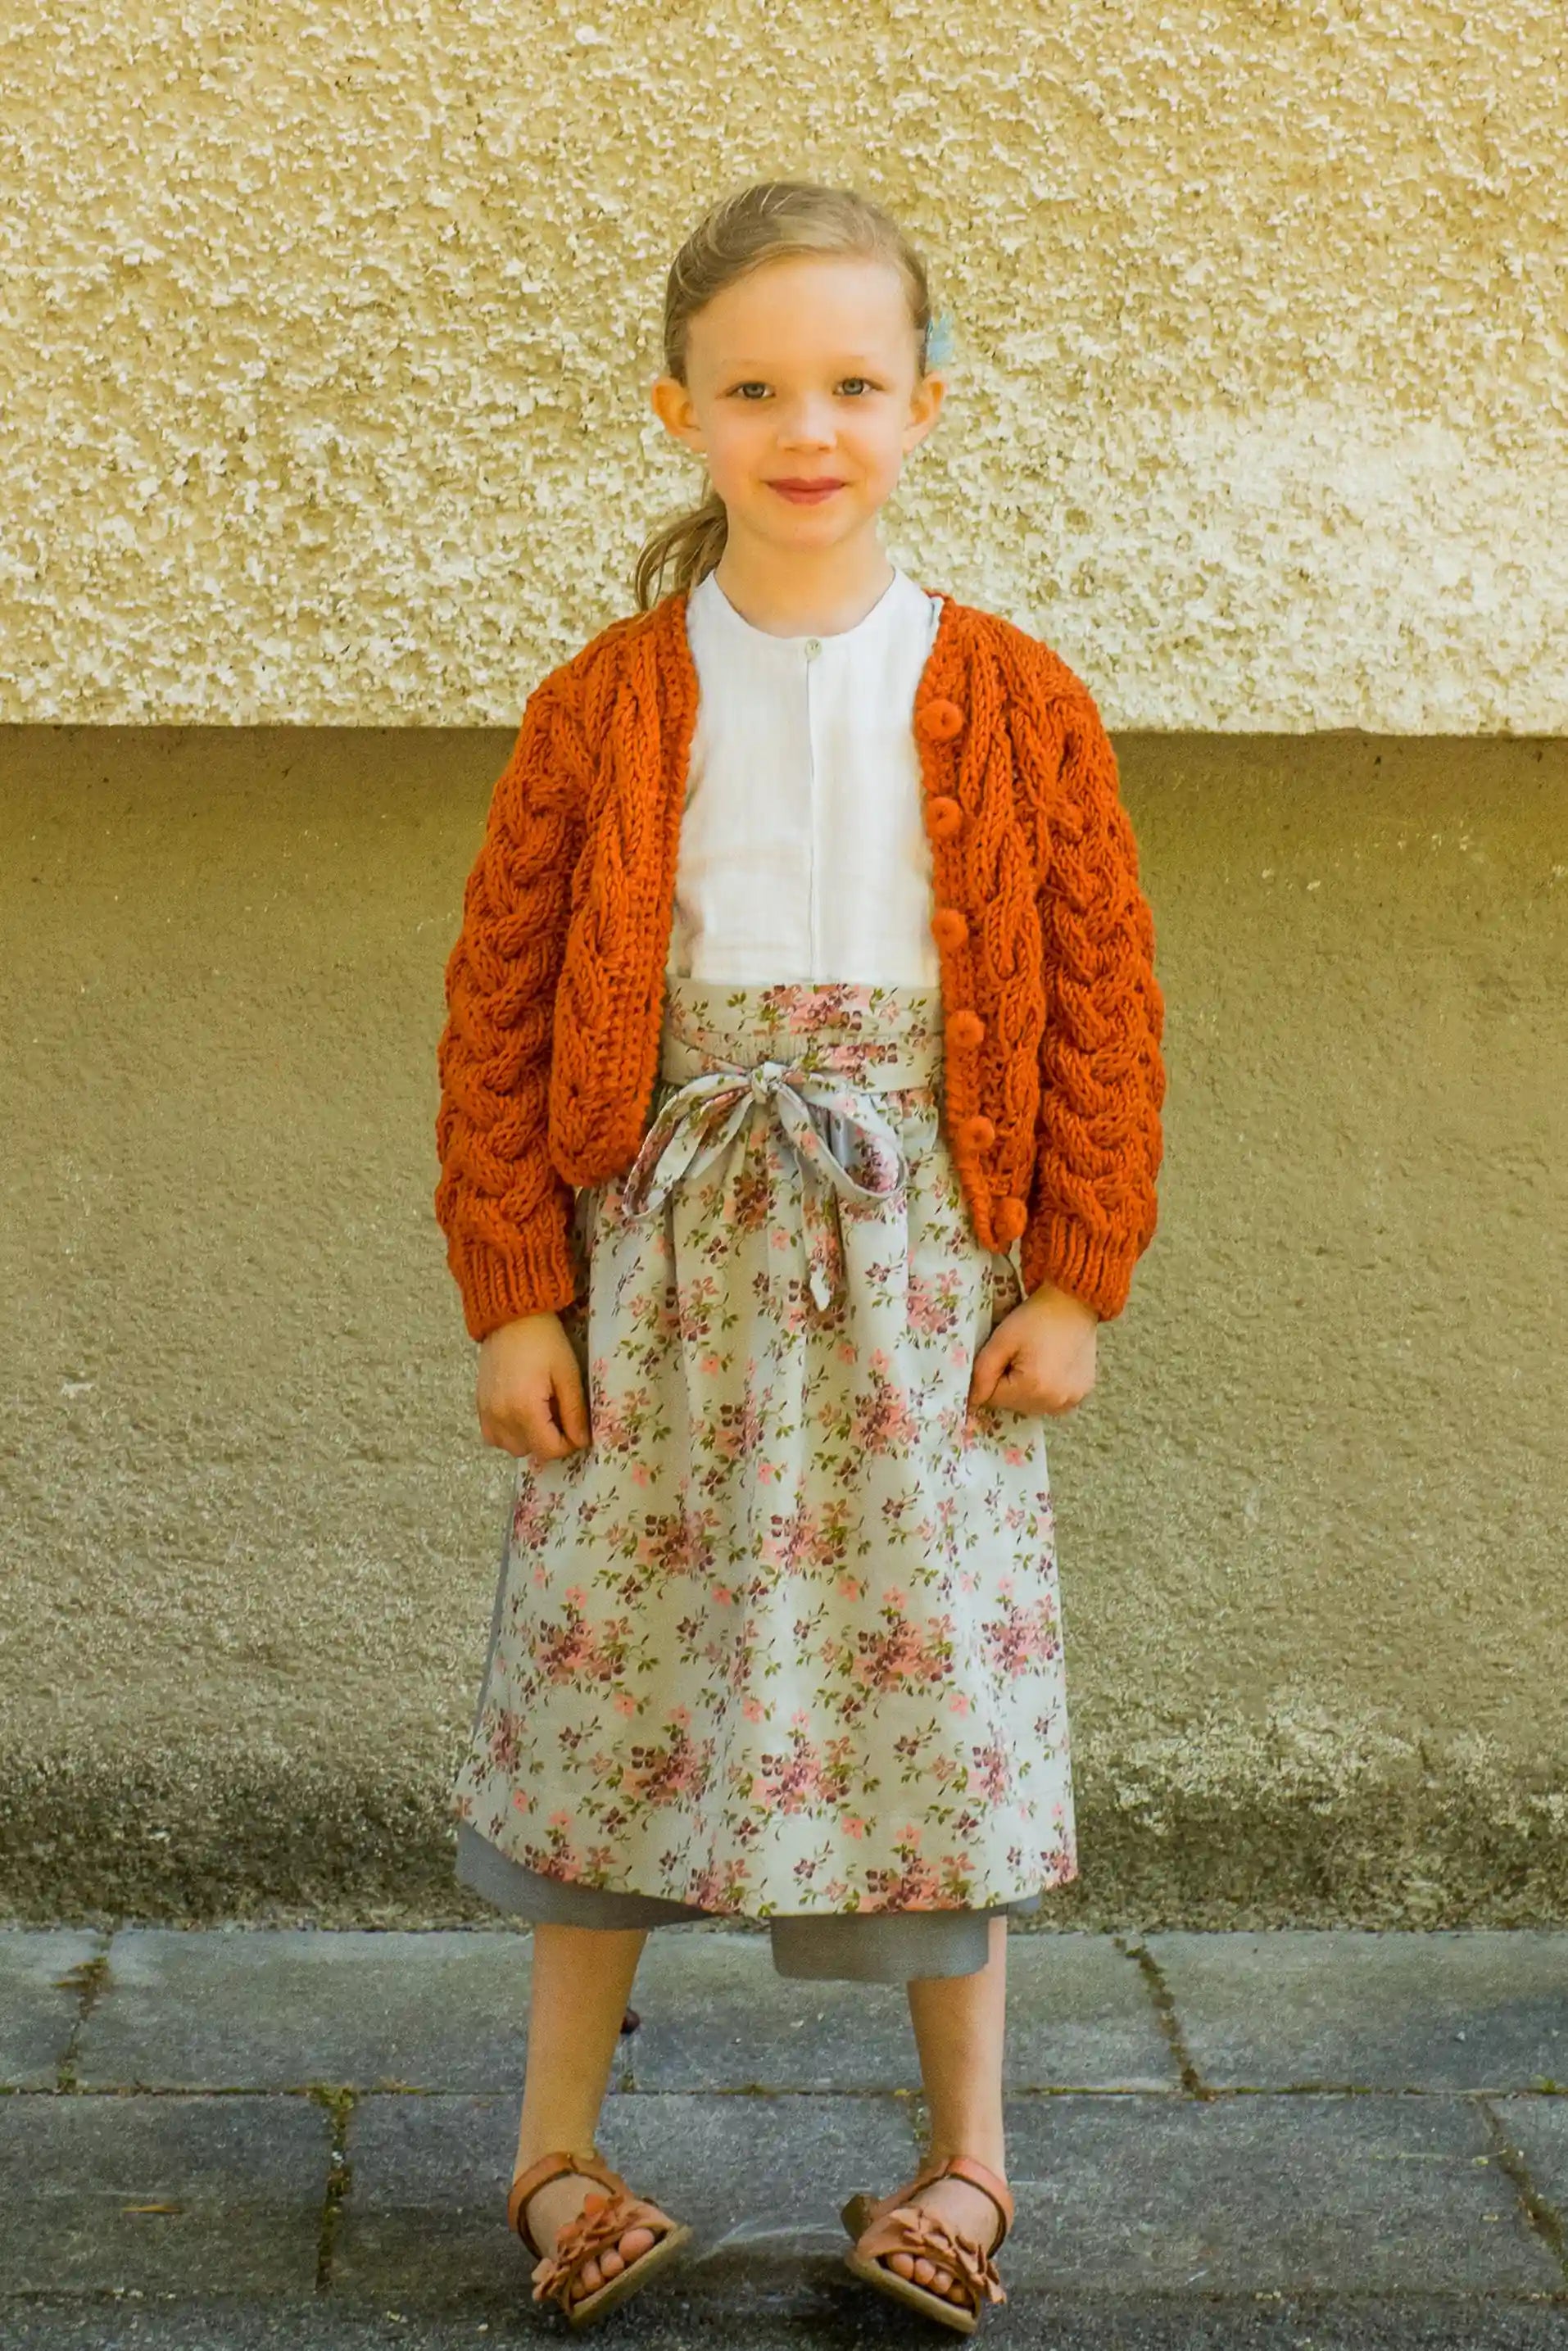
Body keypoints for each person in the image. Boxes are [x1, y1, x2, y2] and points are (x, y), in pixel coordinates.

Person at [433, 177, 1165, 2335]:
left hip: (924, 1272)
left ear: (925, 407)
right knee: (611, 1687)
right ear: (680, 411)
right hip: (658, 1269)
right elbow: (495, 1010)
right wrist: (514, 1290)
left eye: (852, 383)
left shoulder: (1015, 701)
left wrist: (1068, 1276)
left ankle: (966, 2165)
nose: (805, 425)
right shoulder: (604, 704)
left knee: (931, 1692)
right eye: (755, 387)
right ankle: (553, 2157)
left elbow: (1106, 1004)